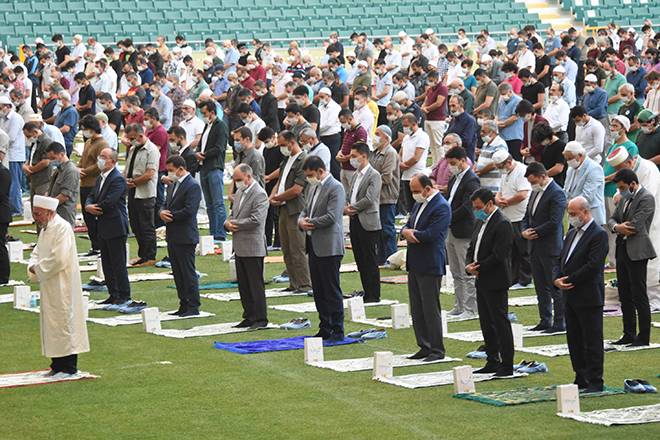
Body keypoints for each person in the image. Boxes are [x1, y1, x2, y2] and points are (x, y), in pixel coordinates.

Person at [28, 195, 89, 376]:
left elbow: (59, 258)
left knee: (64, 321)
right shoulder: (46, 228)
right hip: (49, 282)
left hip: (63, 283)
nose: (36, 218)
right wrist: (33, 266)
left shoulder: (61, 228)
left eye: (38, 214)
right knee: (52, 323)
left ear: (49, 212)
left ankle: (69, 366)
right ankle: (57, 364)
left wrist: (38, 269)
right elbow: (37, 251)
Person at [553, 196, 608, 393]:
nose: (571, 217)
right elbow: (560, 259)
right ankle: (580, 376)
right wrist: (556, 278)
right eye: (570, 214)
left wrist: (568, 280)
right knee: (574, 339)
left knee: (591, 340)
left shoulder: (598, 234)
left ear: (585, 212)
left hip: (588, 295)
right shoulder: (571, 233)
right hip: (570, 296)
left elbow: (593, 266)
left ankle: (595, 380)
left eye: (574, 214)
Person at [401, 173, 451, 362]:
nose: (413, 194)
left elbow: (431, 234)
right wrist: (407, 232)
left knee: (430, 309)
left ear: (427, 189)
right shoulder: (419, 203)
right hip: (415, 262)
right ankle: (424, 345)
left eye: (416, 191)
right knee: (417, 308)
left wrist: (412, 234)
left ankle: (437, 349)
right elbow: (408, 224)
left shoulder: (441, 207)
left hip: (430, 263)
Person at [466, 188, 515, 376]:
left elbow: (499, 255)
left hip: (495, 279)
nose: (476, 210)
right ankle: (492, 359)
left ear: (489, 203)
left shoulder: (502, 223)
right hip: (481, 278)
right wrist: (469, 265)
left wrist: (478, 267)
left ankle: (507, 364)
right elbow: (472, 247)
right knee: (486, 322)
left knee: (500, 322)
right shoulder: (480, 221)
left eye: (479, 207)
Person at [298, 156, 346, 341]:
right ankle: (324, 326)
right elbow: (305, 210)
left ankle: (337, 328)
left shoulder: (336, 187)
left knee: (331, 289)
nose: (309, 178)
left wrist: (311, 223)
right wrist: (302, 221)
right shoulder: (312, 187)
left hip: (330, 246)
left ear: (320, 171)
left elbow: (333, 216)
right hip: (314, 244)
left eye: (311, 174)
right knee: (318, 289)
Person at [608, 169, 656, 346]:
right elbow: (613, 220)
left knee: (639, 294)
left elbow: (635, 225)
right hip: (622, 249)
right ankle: (628, 333)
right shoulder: (625, 197)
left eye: (622, 187)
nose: (620, 191)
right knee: (624, 294)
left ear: (632, 184)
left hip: (637, 251)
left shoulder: (646, 198)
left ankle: (643, 336)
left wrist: (618, 227)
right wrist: (617, 227)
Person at [522, 162, 568, 332]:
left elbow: (555, 221)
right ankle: (545, 319)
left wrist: (534, 232)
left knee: (554, 286)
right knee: (540, 286)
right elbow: (527, 215)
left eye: (533, 181)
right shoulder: (535, 192)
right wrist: (524, 231)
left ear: (542, 176)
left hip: (550, 247)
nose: (531, 185)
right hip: (534, 246)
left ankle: (560, 321)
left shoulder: (557, 193)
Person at [84, 148, 131, 306]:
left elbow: (110, 202)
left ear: (113, 161)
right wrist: (88, 205)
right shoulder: (100, 177)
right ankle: (113, 293)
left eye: (104, 157)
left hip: (115, 225)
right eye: (100, 156)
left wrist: (93, 207)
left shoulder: (117, 179)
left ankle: (124, 295)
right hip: (103, 226)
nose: (100, 159)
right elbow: (91, 195)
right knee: (107, 264)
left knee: (118, 263)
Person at [225, 164, 269, 328]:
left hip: (253, 245)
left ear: (248, 177)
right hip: (240, 245)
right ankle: (249, 315)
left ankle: (260, 318)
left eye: (239, 180)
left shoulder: (259, 194)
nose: (236, 183)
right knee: (243, 284)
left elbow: (256, 219)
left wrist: (234, 223)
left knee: (255, 284)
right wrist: (227, 222)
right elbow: (233, 213)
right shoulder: (241, 192)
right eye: (235, 180)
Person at [270, 130, 312, 293]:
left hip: (296, 209)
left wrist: (278, 197)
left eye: (282, 145)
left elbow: (297, 189)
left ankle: (304, 283)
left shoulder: (303, 160)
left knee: (297, 248)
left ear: (292, 142)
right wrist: (272, 197)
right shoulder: (286, 160)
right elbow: (280, 181)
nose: (281, 148)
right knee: (286, 248)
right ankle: (294, 283)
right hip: (283, 207)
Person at [160, 155, 202, 317]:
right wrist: (162, 212)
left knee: (187, 272)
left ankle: (193, 305)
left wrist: (170, 215)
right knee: (177, 272)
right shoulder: (172, 185)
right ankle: (183, 303)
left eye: (171, 170)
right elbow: (165, 203)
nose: (169, 173)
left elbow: (190, 210)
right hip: (173, 235)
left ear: (181, 169)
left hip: (185, 235)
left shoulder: (192, 186)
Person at [443, 146, 480, 318]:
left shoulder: (471, 181)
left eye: (453, 163)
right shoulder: (454, 178)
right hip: (451, 229)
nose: (451, 166)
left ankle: (471, 308)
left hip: (463, 229)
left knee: (466, 271)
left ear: (463, 161)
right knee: (455, 271)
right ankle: (459, 305)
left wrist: (447, 218)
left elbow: (467, 207)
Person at [345, 142, 382, 303]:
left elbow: (370, 198)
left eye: (354, 156)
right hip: (355, 220)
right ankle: (366, 290)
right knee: (360, 258)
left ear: (364, 156)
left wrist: (352, 208)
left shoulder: (374, 175)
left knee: (369, 259)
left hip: (368, 221)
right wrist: (347, 206)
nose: (352, 159)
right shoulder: (355, 175)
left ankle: (374, 294)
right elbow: (350, 194)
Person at [492, 150, 532, 289]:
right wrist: (497, 199)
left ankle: (525, 279)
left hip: (520, 215)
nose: (499, 169)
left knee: (523, 250)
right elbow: (500, 190)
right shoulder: (505, 173)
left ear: (508, 162)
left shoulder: (521, 171)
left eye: (500, 166)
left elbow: (523, 194)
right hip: (508, 216)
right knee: (512, 250)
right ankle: (514, 278)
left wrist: (507, 202)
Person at [123, 124, 159, 266]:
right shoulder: (133, 149)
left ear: (140, 135)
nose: (130, 141)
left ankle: (150, 256)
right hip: (132, 191)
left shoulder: (152, 150)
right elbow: (127, 169)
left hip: (145, 193)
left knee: (146, 225)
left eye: (132, 138)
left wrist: (134, 182)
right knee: (136, 224)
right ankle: (142, 254)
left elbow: (150, 173)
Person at [197, 101, 228, 241]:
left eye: (204, 113)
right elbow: (201, 145)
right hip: (204, 167)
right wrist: (198, 153)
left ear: (212, 111)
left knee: (218, 202)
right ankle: (213, 232)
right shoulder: (207, 126)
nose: (203, 116)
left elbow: (219, 148)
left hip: (214, 167)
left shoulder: (220, 126)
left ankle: (220, 233)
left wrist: (203, 154)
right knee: (209, 204)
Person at [77, 115, 108, 256]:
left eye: (85, 129)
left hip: (93, 183)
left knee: (93, 216)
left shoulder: (102, 144)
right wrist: (78, 168)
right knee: (87, 216)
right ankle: (94, 245)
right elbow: (83, 159)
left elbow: (99, 164)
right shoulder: (88, 141)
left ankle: (100, 245)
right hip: (84, 182)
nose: (84, 131)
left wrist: (84, 171)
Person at [370, 125, 400, 265]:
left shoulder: (390, 153)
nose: (375, 136)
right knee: (379, 229)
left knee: (387, 229)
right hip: (376, 197)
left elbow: (387, 177)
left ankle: (391, 257)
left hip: (387, 196)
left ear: (386, 138)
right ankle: (381, 257)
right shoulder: (375, 152)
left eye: (378, 134)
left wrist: (369, 184)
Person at [562, 141, 606, 226]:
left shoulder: (594, 169)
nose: (568, 161)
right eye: (566, 159)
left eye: (570, 158)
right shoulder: (570, 169)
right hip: (574, 216)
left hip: (591, 218)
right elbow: (566, 190)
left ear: (580, 155)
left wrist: (568, 204)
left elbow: (587, 197)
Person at [400, 113, 430, 213]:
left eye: (406, 125)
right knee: (409, 205)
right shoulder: (406, 138)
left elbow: (417, 157)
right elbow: (401, 152)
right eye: (403, 125)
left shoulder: (422, 136)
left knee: (418, 204)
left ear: (414, 124)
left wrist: (405, 165)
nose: (404, 128)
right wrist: (400, 162)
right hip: (405, 176)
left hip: (417, 174)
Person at [45, 142, 79, 226]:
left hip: (64, 214)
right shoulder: (59, 169)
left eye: (53, 158)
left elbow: (65, 196)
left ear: (62, 154)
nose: (51, 161)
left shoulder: (71, 171)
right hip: (56, 211)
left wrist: (49, 205)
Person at [22, 121, 53, 202]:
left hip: (43, 180)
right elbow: (32, 156)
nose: (28, 138)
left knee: (40, 205)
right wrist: (26, 165)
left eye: (28, 136)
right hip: (34, 179)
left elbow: (46, 162)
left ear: (35, 132)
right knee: (33, 205)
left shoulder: (46, 141)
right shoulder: (34, 142)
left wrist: (31, 169)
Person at [446, 95, 478, 161]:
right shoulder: (454, 119)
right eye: (450, 106)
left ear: (461, 105)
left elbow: (466, 141)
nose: (451, 109)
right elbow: (447, 134)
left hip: (464, 158)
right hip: (453, 155)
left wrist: (451, 143)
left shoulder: (469, 120)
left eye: (453, 105)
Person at [0, 147, 9, 284]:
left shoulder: (3, 172)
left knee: (0, 245)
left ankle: (3, 276)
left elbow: (1, 193)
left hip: (1, 214)